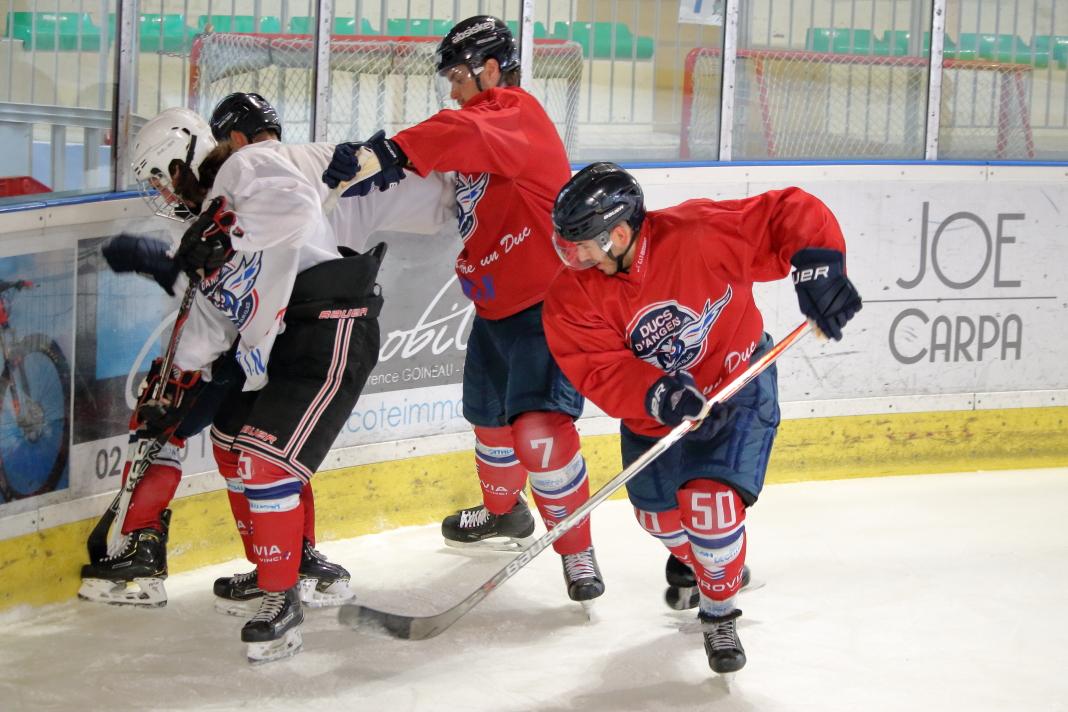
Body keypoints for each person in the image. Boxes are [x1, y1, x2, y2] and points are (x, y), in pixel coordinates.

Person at [82, 95, 454, 612]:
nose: (161, 194)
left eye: (161, 179)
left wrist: (224, 237)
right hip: (271, 345)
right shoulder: (202, 220)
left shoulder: (248, 166)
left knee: (264, 457)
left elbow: (296, 207)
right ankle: (253, 560)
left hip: (320, 325)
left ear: (183, 159)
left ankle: (289, 574)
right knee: (222, 435)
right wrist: (174, 381)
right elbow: (212, 316)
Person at [322, 15, 604, 604]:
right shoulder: (483, 134)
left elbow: (457, 127)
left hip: (547, 305)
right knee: (490, 421)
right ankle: (504, 514)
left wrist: (390, 149)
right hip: (495, 308)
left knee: (539, 432)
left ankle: (577, 553)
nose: (452, 88)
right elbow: (447, 170)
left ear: (491, 68)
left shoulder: (514, 112)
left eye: (458, 75)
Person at [541, 162, 862, 676]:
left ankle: (718, 612)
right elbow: (598, 369)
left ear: (619, 233)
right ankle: (708, 563)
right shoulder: (570, 295)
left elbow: (786, 214)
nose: (573, 255)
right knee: (657, 518)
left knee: (710, 509)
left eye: (583, 243)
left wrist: (818, 264)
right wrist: (659, 395)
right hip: (658, 416)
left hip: (735, 390)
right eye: (568, 243)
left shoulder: (697, 235)